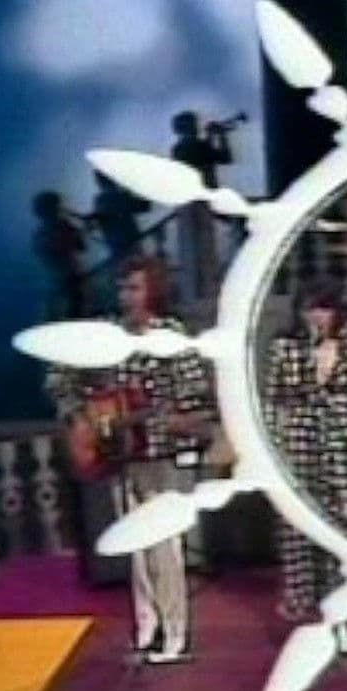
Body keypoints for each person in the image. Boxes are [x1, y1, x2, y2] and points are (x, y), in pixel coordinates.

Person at [45, 257, 213, 663]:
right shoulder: (110, 335)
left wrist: (172, 419)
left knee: (163, 547)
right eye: (122, 288)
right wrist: (80, 414)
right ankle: (146, 628)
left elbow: (196, 399)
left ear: (153, 290)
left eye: (134, 288)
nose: (127, 296)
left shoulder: (171, 336)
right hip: (119, 455)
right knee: (136, 548)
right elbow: (60, 375)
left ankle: (175, 634)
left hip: (161, 455)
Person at [263, 280, 347, 652]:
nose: (315, 317)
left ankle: (344, 616)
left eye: (322, 309)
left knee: (346, 530)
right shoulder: (285, 348)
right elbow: (273, 400)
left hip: (344, 446)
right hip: (301, 445)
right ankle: (311, 607)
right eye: (308, 309)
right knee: (303, 529)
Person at [171, 111, 234, 301]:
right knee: (205, 249)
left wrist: (212, 137)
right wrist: (220, 136)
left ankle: (201, 291)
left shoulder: (179, 149)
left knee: (197, 252)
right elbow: (225, 157)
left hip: (194, 203)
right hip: (203, 202)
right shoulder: (195, 146)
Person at [32, 190, 86, 319]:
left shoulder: (39, 234)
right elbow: (81, 246)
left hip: (54, 280)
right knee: (75, 307)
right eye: (60, 206)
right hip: (70, 276)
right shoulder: (63, 226)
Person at [88, 171, 151, 266]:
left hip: (117, 250)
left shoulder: (99, 201)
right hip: (130, 247)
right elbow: (145, 206)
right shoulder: (117, 196)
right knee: (139, 269)